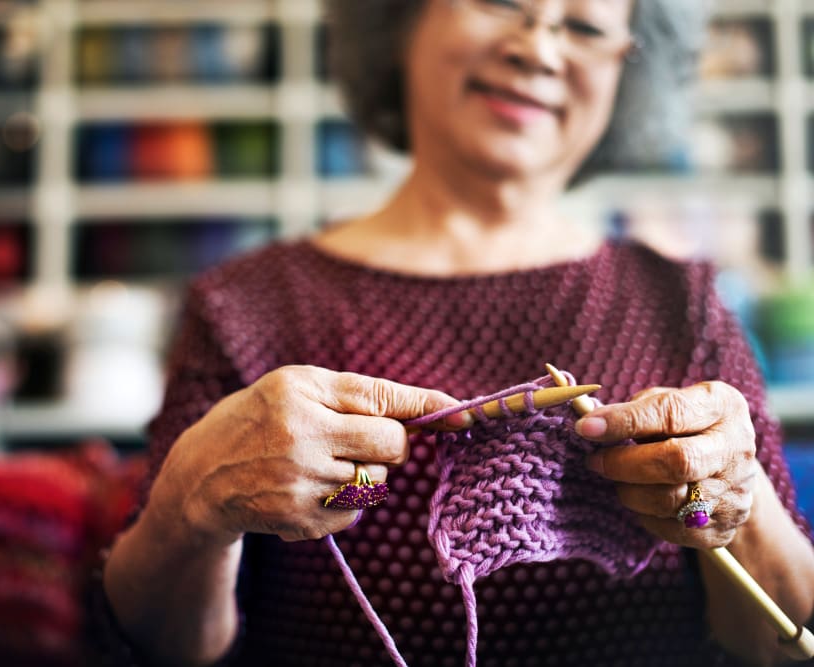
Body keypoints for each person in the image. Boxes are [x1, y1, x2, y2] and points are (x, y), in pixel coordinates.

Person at [100, 1, 814, 665]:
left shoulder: (681, 303)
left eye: (585, 27)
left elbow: (782, 640)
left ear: (631, 67)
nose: (536, 48)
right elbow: (165, 643)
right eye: (500, 0)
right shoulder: (244, 306)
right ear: (404, 17)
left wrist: (731, 506)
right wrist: (192, 500)